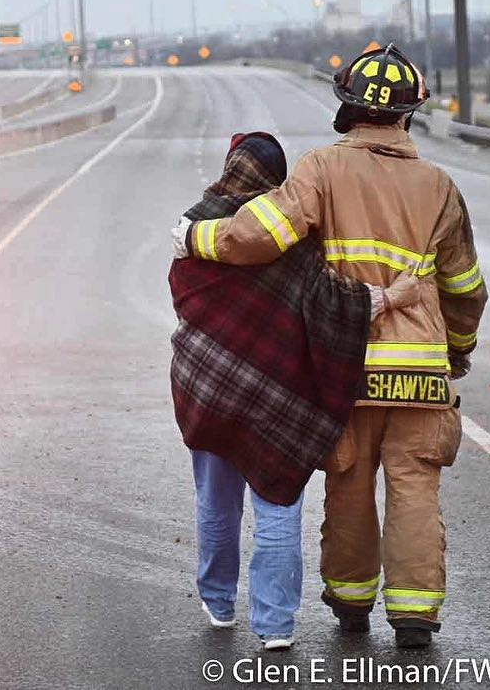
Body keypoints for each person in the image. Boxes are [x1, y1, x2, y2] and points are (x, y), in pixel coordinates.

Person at [174, 44, 487, 649]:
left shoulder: (321, 169)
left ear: (347, 106)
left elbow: (259, 235)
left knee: (348, 482)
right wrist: (459, 350)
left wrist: (197, 236)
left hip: (347, 364)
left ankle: (350, 604)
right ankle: (416, 615)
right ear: (409, 113)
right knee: (415, 484)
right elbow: (464, 286)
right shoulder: (440, 187)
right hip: (421, 369)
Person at [170, 131, 419, 651]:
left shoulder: (196, 224)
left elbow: (184, 294)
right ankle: (275, 624)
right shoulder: (291, 238)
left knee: (215, 503)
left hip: (208, 388)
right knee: (277, 503)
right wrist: (394, 296)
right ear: (277, 180)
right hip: (278, 400)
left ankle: (218, 602)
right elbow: (336, 304)